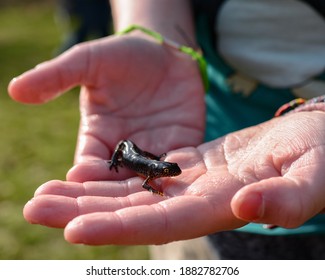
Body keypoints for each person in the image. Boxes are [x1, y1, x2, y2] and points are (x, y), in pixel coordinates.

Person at [8, 0, 325, 259]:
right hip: (203, 197)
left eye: (169, 170)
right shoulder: (153, 171)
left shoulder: (154, 173)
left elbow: (152, 179)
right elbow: (139, 163)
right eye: (169, 170)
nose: (172, 172)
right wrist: (152, 33)